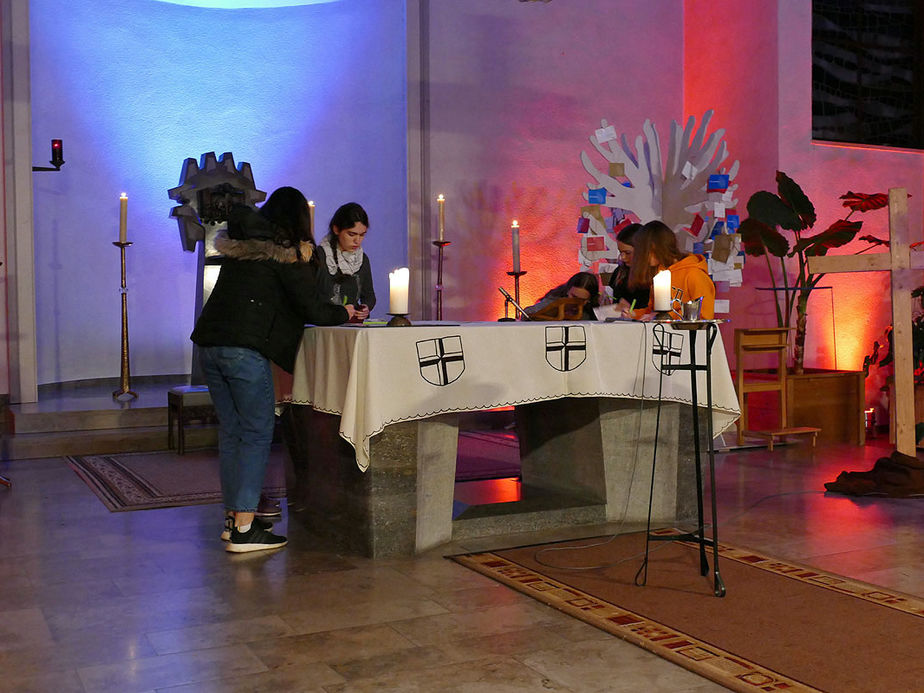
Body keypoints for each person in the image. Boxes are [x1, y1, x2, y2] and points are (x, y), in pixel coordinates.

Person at [191, 186, 354, 553]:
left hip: (210, 346)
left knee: (234, 433)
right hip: (243, 351)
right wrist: (345, 312)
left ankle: (234, 521)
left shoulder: (244, 248)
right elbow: (311, 307)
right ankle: (246, 529)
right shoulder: (284, 255)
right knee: (257, 432)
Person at [627, 219, 715, 319]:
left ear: (654, 247)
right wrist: (634, 314)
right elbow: (652, 310)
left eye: (643, 251)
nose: (641, 257)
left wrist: (668, 317)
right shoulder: (660, 273)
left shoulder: (694, 274)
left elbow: (704, 313)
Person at [315, 202, 375, 320]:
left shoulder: (362, 259)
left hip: (351, 325)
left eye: (362, 235)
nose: (357, 241)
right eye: (351, 234)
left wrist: (365, 308)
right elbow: (311, 297)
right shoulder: (320, 256)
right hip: (324, 325)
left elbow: (369, 295)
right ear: (336, 229)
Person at [608, 223, 650, 313]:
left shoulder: (655, 275)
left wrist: (632, 309)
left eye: (627, 253)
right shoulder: (619, 272)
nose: (623, 257)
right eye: (620, 252)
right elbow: (614, 300)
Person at [524, 271, 600, 320]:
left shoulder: (590, 311)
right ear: (568, 290)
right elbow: (526, 314)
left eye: (582, 300)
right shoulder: (554, 300)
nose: (576, 303)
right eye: (573, 297)